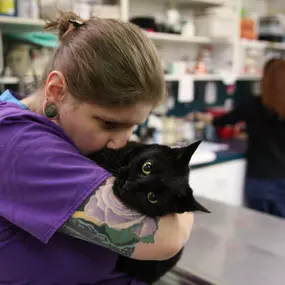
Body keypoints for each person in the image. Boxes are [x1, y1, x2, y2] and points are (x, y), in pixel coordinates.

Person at [0, 12, 194, 285]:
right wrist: (183, 201)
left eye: (133, 126)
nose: (121, 142)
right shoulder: (17, 143)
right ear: (56, 90)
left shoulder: (51, 128)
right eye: (109, 124)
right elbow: (166, 237)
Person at [193, 58, 285, 218]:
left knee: (261, 234)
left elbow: (223, 120)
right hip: (282, 179)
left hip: (259, 181)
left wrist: (203, 118)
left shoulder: (253, 105)